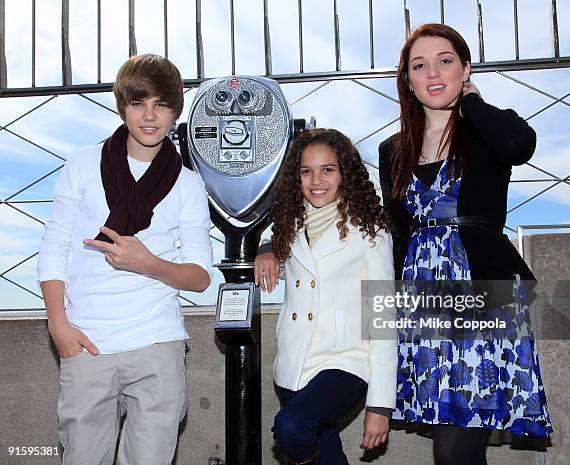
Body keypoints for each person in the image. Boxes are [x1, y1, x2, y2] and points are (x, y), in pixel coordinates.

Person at [378, 23, 553, 465]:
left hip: (481, 295)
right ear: (408, 81)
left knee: (455, 446)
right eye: (420, 65)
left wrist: (472, 102)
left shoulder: (488, 130)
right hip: (421, 300)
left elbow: (519, 144)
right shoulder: (392, 150)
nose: (433, 72)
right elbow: (397, 231)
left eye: (445, 61)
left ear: (465, 69)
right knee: (456, 442)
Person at [37, 54, 214, 465]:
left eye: (160, 105)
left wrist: (148, 263)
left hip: (157, 343)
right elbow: (55, 246)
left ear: (175, 110)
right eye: (138, 104)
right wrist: (58, 324)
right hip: (87, 342)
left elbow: (201, 276)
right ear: (122, 106)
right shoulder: (82, 163)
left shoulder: (188, 184)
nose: (149, 116)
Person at [254, 128, 398, 465]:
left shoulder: (371, 232)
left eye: (327, 169)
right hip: (294, 364)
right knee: (327, 453)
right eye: (306, 171)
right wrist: (266, 249)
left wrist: (380, 405)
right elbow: (267, 232)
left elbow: (383, 320)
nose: (316, 179)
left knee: (291, 427)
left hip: (346, 363)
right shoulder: (289, 224)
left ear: (344, 174)